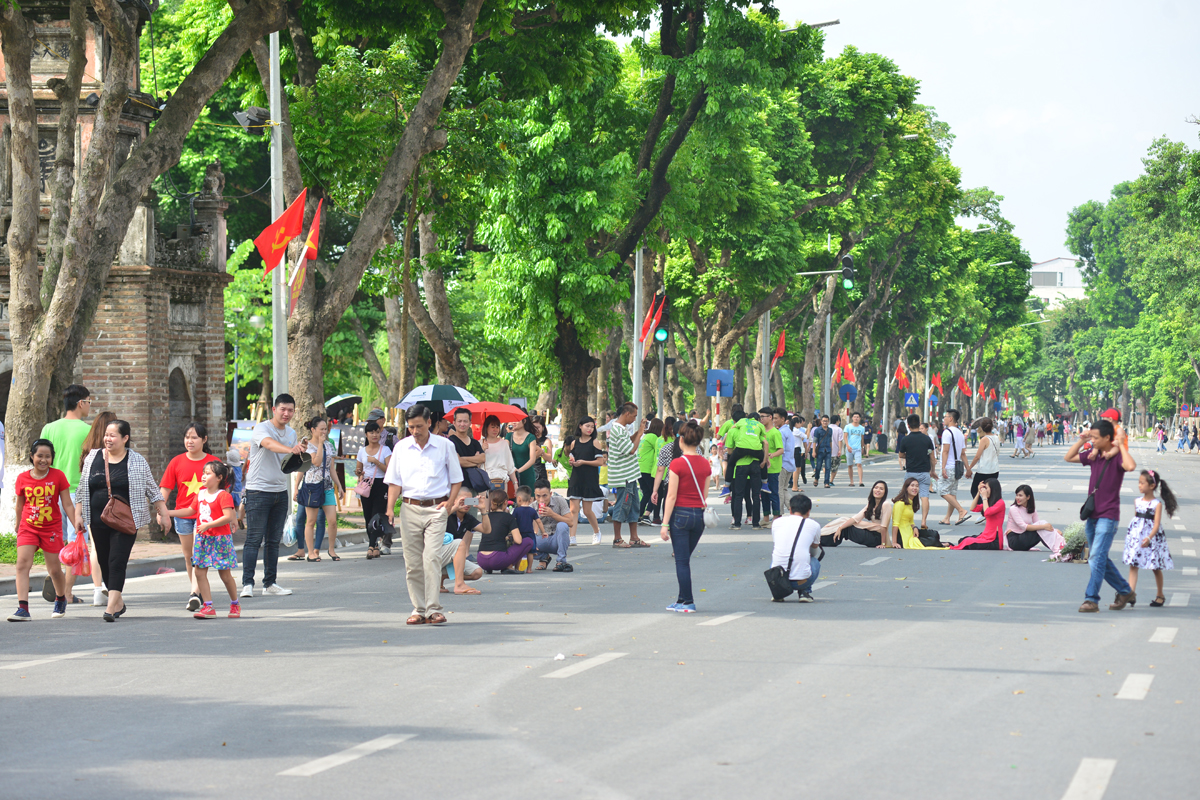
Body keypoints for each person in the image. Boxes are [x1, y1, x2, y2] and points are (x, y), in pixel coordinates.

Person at [75, 420, 169, 621]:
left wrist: (164, 513)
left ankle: (110, 608)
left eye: (113, 435)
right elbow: (82, 488)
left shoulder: (136, 461)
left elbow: (152, 489)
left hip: (126, 519)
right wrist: (78, 514)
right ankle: (118, 601)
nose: (107, 439)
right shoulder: (93, 457)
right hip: (97, 519)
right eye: (106, 435)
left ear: (125, 438)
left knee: (117, 561)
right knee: (104, 561)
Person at [385, 404, 464, 625]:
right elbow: (394, 482)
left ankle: (433, 609)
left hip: (436, 509)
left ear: (429, 423)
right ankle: (418, 609)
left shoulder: (445, 446)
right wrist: (390, 508)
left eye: (419, 426)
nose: (415, 431)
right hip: (409, 508)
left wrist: (449, 503)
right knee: (412, 562)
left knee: (431, 557)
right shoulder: (401, 448)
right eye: (411, 427)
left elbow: (456, 479)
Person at [1066, 415, 1136, 612]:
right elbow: (1069, 457)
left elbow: (1130, 466)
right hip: (1092, 515)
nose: (1093, 440)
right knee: (1099, 558)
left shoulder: (1116, 457)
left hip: (1108, 515)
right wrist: (1083, 440)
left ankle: (1091, 599)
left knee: (1096, 557)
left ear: (1107, 438)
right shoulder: (1093, 455)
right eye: (1092, 437)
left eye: (1096, 437)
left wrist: (1121, 444)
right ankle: (1125, 590)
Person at [242, 394, 303, 598]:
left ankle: (270, 583)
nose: (286, 413)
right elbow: (269, 444)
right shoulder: (262, 428)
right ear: (274, 409)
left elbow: (289, 464)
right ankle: (247, 584)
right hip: (258, 490)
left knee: (272, 541)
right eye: (283, 409)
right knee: (254, 539)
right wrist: (291, 450)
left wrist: (302, 456)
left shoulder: (292, 433)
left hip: (280, 491)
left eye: (290, 410)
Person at [8, 440, 75, 621]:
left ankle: (60, 598)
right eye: (40, 456)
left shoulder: (58, 476)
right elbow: (20, 504)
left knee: (54, 570)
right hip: (28, 527)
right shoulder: (23, 478)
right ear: (32, 456)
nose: (43, 460)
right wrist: (18, 522)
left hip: (51, 528)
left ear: (52, 458)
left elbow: (67, 503)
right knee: (22, 564)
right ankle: (23, 608)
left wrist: (76, 522)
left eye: (47, 456)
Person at [40, 384, 94, 606]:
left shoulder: (49, 428)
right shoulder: (88, 431)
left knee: (54, 541)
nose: (90, 406)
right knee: (76, 542)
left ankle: (57, 579)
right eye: (89, 402)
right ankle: (67, 593)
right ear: (81, 403)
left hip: (51, 492)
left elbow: (42, 459)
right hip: (77, 493)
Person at [159, 422, 221, 611]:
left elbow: (222, 491)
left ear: (204, 440)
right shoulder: (176, 461)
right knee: (189, 556)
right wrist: (161, 512)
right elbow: (166, 488)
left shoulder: (213, 462)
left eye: (194, 437)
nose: (190, 441)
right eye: (187, 437)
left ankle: (195, 593)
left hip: (206, 517)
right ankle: (197, 590)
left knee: (199, 555)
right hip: (182, 515)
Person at [167, 462, 240, 619]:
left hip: (220, 539)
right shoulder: (200, 494)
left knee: (225, 575)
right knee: (199, 572)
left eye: (208, 473)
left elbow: (227, 517)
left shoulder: (223, 496)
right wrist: (169, 512)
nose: (204, 476)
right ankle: (208, 607)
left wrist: (208, 525)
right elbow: (190, 511)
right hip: (203, 539)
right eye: (204, 473)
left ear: (219, 478)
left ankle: (235, 603)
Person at [659, 420, 711, 612]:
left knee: (681, 561)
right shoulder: (705, 464)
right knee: (684, 559)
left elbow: (671, 496)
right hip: (699, 516)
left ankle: (688, 601)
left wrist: (665, 524)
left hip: (680, 515)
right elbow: (704, 495)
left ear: (681, 440)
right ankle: (681, 599)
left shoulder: (677, 463)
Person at [1122, 470, 1177, 608]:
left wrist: (1149, 537)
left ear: (1152, 486)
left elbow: (1156, 524)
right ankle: (1131, 594)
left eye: (1142, 483)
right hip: (1137, 537)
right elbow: (1136, 519)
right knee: (1133, 564)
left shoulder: (1156, 504)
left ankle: (1160, 595)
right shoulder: (1137, 501)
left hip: (1152, 538)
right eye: (1138, 483)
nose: (1139, 485)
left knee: (1155, 567)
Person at [295, 417, 343, 562]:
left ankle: (331, 549)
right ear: (313, 430)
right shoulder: (307, 446)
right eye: (321, 429)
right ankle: (311, 552)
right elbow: (315, 462)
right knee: (311, 521)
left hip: (327, 486)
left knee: (332, 520)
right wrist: (296, 487)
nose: (324, 431)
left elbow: (331, 467)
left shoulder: (329, 445)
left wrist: (339, 485)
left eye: (326, 429)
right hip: (312, 487)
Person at [606, 402, 650, 547]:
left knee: (634, 506)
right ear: (627, 414)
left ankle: (634, 538)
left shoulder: (621, 429)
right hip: (623, 475)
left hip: (630, 475)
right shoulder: (617, 429)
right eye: (634, 416)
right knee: (622, 506)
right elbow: (631, 450)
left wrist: (638, 432)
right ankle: (617, 539)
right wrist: (641, 433)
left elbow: (629, 442)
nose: (634, 418)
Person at [769, 493, 822, 602]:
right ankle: (804, 592)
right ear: (808, 511)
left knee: (776, 560)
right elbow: (814, 549)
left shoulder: (777, 522)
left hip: (778, 580)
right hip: (801, 581)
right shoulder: (814, 525)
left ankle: (779, 592)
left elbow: (777, 542)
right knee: (814, 561)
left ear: (790, 509)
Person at [565, 416, 606, 545]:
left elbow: (600, 461)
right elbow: (571, 458)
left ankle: (596, 531)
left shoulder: (595, 442)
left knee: (587, 510)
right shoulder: (574, 443)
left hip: (590, 479)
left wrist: (583, 462)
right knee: (573, 509)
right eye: (587, 426)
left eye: (592, 426)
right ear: (580, 426)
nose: (590, 429)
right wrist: (573, 462)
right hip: (576, 478)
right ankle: (572, 537)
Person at [357, 420, 393, 559]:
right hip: (366, 484)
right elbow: (358, 468)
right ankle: (376, 545)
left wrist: (377, 462)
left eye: (377, 432)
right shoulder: (361, 451)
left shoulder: (385, 450)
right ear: (366, 434)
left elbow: (389, 470)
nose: (374, 435)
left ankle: (371, 546)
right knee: (367, 517)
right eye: (371, 432)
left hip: (381, 484)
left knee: (376, 515)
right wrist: (358, 472)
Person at [441, 489, 488, 593]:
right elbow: (437, 520)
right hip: (432, 555)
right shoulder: (445, 511)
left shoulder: (468, 518)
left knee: (477, 572)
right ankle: (459, 585)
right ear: (454, 500)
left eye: (469, 501)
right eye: (463, 501)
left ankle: (439, 579)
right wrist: (454, 508)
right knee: (460, 544)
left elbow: (486, 530)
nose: (466, 504)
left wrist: (483, 510)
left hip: (448, 557)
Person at [476, 488, 533, 574]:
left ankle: (489, 569)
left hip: (481, 560)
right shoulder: (508, 517)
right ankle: (508, 566)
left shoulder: (486, 516)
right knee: (528, 541)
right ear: (505, 503)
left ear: (491, 502)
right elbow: (518, 540)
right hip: (497, 559)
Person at [824, 480, 893, 548]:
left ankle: (822, 540)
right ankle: (821, 537)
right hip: (871, 531)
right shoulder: (871, 504)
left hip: (878, 537)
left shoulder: (885, 504)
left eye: (881, 489)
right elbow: (856, 518)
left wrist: (883, 543)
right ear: (872, 489)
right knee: (844, 522)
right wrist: (840, 528)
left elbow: (884, 527)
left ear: (885, 492)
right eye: (876, 488)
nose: (878, 490)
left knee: (847, 529)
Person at [895, 415, 935, 528]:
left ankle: (908, 520)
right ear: (919, 424)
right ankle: (923, 521)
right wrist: (933, 471)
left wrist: (910, 455)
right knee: (924, 496)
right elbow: (932, 457)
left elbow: (901, 454)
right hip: (924, 472)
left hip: (910, 473)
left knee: (907, 497)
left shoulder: (905, 439)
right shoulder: (926, 439)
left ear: (908, 425)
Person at [937, 409, 972, 526]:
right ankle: (947, 518)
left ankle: (961, 510)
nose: (944, 419)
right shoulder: (960, 433)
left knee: (942, 491)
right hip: (957, 468)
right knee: (951, 493)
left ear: (951, 418)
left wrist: (943, 468)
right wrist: (968, 468)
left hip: (949, 467)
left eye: (945, 416)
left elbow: (945, 451)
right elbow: (963, 453)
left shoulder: (947, 432)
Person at [1004, 485, 1065, 553]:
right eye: (1017, 495)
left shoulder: (1032, 510)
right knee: (1041, 528)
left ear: (1028, 497)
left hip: (1024, 537)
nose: (1017, 498)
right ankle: (1059, 547)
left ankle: (1061, 546)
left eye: (1020, 496)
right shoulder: (1014, 509)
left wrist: (1054, 530)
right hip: (1014, 540)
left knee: (1041, 527)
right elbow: (1024, 526)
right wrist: (1045, 527)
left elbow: (1038, 523)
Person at [889, 478, 943, 549]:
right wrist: (894, 542)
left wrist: (915, 528)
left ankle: (939, 543)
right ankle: (941, 544)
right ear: (906, 488)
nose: (915, 488)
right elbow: (895, 524)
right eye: (912, 485)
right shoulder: (900, 503)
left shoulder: (910, 502)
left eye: (917, 486)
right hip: (903, 535)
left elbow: (911, 521)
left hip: (911, 531)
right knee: (932, 540)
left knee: (934, 534)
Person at [533, 479, 574, 572]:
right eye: (538, 496)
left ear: (550, 494)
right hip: (541, 539)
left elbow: (571, 522)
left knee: (562, 525)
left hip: (557, 539)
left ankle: (561, 561)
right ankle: (544, 558)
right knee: (522, 541)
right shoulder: (532, 506)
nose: (541, 500)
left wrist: (553, 514)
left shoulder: (559, 501)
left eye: (544, 496)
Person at [950, 479, 1004, 550]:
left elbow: (987, 513)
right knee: (963, 540)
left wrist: (984, 497)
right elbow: (973, 508)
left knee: (968, 542)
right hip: (986, 535)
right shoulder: (989, 502)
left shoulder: (1000, 503)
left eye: (986, 488)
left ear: (993, 489)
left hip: (994, 539)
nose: (984, 490)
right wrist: (978, 493)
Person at [965, 418, 1001, 519]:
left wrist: (969, 468)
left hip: (984, 470)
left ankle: (984, 512)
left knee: (974, 490)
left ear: (982, 428)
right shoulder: (996, 438)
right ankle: (990, 511)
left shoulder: (984, 439)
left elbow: (977, 456)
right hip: (994, 469)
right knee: (991, 492)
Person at [760, 408, 784, 525]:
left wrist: (771, 455)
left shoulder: (775, 432)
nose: (761, 419)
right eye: (760, 417)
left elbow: (781, 450)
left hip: (773, 468)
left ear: (770, 417)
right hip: (762, 467)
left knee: (773, 492)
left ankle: (776, 517)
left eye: (763, 416)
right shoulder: (760, 431)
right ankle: (765, 518)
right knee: (763, 493)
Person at [637, 418, 664, 523]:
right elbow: (660, 448)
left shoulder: (646, 436)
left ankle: (639, 515)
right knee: (656, 492)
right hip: (648, 468)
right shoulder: (653, 437)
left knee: (647, 493)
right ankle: (646, 515)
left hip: (640, 468)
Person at [481, 414, 517, 491]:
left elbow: (510, 465)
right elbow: (476, 464)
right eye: (492, 427)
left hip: (501, 481)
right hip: (485, 481)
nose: (495, 430)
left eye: (497, 427)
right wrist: (482, 451)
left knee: (501, 502)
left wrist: (515, 483)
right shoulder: (480, 443)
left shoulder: (503, 443)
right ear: (486, 427)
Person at [507, 416, 542, 494]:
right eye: (512, 420)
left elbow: (532, 459)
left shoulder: (530, 437)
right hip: (512, 476)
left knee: (528, 503)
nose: (514, 422)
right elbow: (504, 453)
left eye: (517, 420)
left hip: (527, 475)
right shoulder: (509, 436)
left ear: (524, 421)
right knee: (512, 503)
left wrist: (519, 470)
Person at [776, 409, 796, 504]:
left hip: (783, 465)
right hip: (790, 464)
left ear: (783, 419)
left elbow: (781, 450)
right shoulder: (787, 430)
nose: (774, 420)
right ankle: (795, 510)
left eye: (776, 418)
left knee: (779, 490)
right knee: (784, 489)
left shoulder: (781, 432)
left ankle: (778, 513)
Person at [809, 415, 834, 489]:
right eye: (823, 421)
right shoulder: (817, 430)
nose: (825, 422)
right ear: (821, 421)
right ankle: (816, 478)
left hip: (828, 450)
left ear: (828, 422)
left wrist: (831, 449)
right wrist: (813, 451)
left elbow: (830, 440)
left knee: (828, 467)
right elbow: (815, 441)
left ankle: (826, 482)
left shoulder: (830, 430)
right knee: (818, 466)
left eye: (826, 421)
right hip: (820, 450)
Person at [844, 411, 866, 488]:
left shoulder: (862, 428)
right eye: (854, 417)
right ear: (852, 418)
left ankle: (860, 481)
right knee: (850, 465)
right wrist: (847, 446)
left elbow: (862, 439)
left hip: (858, 449)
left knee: (859, 464)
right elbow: (845, 437)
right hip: (850, 448)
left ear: (859, 418)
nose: (856, 418)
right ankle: (851, 481)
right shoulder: (848, 427)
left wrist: (863, 447)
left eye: (857, 417)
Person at [530, 416, 554, 484]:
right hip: (529, 470)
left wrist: (541, 451)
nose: (536, 430)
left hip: (540, 472)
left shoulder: (546, 441)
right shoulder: (529, 439)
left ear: (543, 427)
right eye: (533, 427)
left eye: (538, 427)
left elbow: (549, 459)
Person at [790, 415, 808, 488]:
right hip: (796, 449)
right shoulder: (795, 430)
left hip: (797, 449)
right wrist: (809, 428)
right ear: (796, 423)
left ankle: (795, 485)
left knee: (798, 468)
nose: (801, 425)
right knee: (796, 468)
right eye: (799, 423)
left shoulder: (793, 430)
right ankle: (795, 486)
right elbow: (806, 437)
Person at [828, 414, 844, 486]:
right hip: (835, 451)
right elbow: (840, 440)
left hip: (826, 451)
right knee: (834, 467)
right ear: (838, 421)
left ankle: (826, 479)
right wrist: (840, 450)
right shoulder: (839, 429)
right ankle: (831, 481)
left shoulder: (826, 428)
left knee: (826, 466)